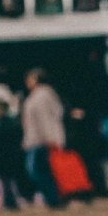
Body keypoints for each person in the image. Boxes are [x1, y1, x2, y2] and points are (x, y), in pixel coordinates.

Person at [20, 68, 67, 205]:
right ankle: (52, 197)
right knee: (41, 170)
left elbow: (45, 118)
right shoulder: (39, 95)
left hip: (42, 140)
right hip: (37, 139)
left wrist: (49, 138)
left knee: (36, 170)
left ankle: (53, 198)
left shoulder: (42, 96)